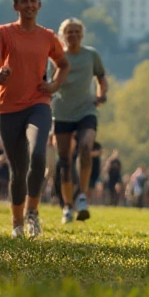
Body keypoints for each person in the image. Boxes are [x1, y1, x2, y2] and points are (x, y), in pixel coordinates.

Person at [0, 0, 69, 239]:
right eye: (24, 1)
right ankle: (17, 224)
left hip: (38, 103)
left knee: (39, 153)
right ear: (16, 7)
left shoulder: (48, 36)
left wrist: (54, 84)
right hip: (8, 107)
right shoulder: (2, 32)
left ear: (39, 5)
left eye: (33, 0)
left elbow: (63, 64)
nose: (29, 5)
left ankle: (33, 213)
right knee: (18, 170)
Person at [51, 18, 108, 225]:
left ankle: (82, 196)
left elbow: (101, 78)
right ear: (62, 35)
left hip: (86, 110)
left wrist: (102, 94)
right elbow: (50, 86)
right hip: (63, 112)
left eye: (76, 32)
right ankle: (67, 206)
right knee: (64, 162)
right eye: (69, 32)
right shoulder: (56, 57)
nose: (73, 35)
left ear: (82, 35)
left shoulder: (91, 55)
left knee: (86, 147)